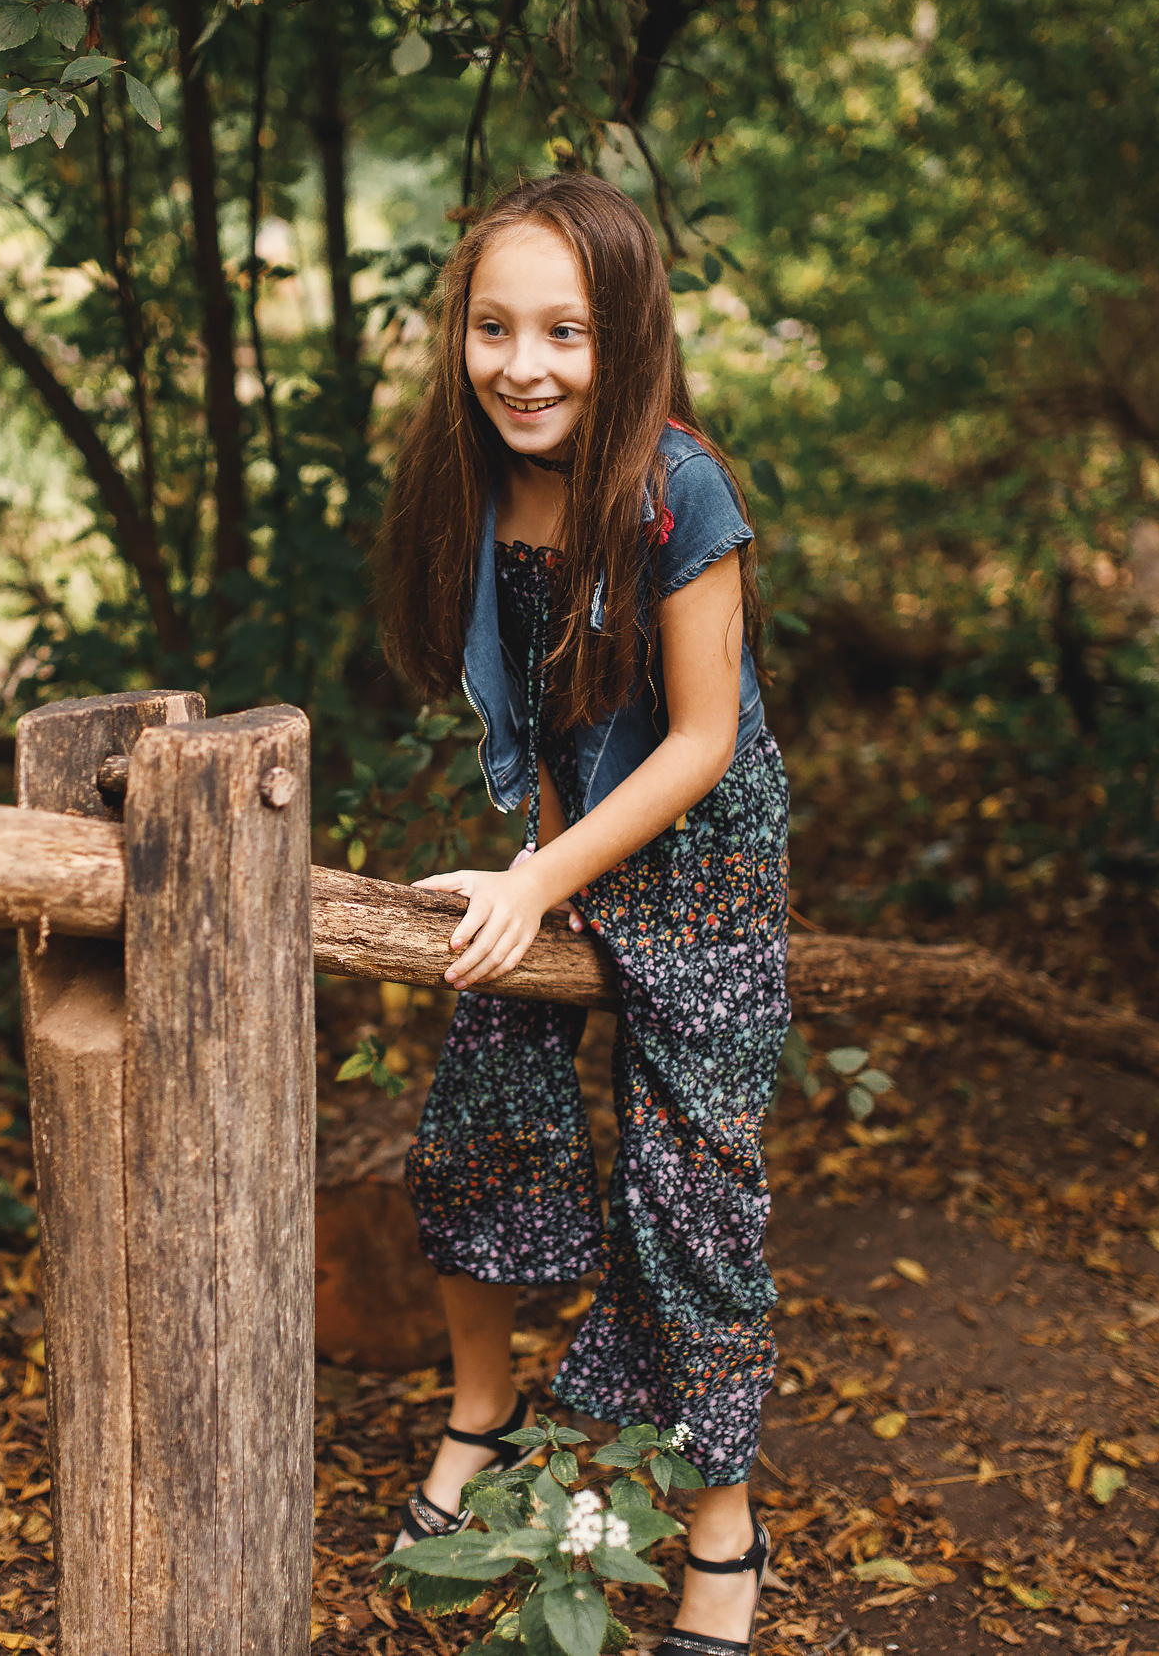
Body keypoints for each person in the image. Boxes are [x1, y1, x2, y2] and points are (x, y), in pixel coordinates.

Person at [372, 172, 791, 1656]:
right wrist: (537, 876)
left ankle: (723, 1534)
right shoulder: (476, 480)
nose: (525, 364)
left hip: (708, 868)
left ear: (625, 340)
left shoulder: (680, 490)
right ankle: (486, 1413)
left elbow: (696, 741)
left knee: (693, 1196)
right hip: (568, 851)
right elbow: (547, 711)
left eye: (566, 330)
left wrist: (549, 878)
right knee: (479, 1106)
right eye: (495, 326)